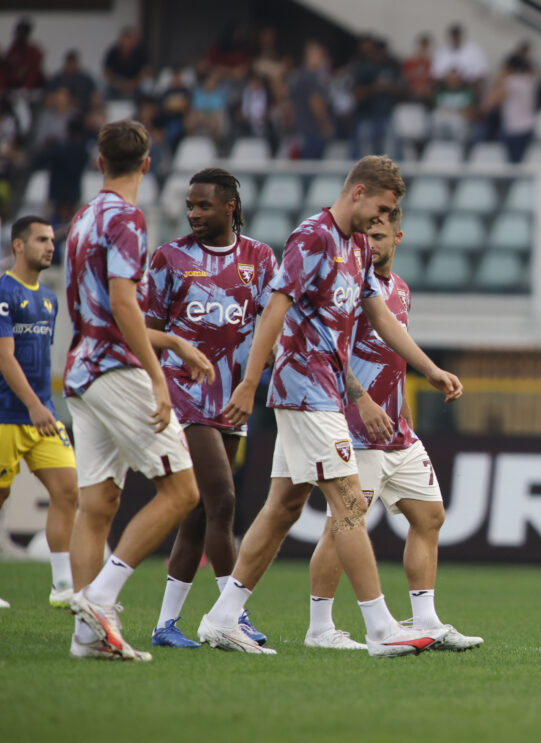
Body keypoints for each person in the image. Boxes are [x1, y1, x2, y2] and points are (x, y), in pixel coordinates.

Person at [196, 155, 463, 656]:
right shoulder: (312, 237)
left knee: (283, 507)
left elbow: (380, 315)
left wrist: (428, 368)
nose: (380, 219)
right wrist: (250, 382)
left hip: (324, 392)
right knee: (349, 505)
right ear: (358, 192)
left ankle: (221, 618)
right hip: (304, 387)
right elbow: (275, 309)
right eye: (379, 207)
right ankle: (381, 628)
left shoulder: (357, 246)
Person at [64, 120, 214, 662]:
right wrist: (156, 374)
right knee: (182, 493)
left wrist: (171, 340)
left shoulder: (83, 218)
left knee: (97, 504)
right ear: (148, 164)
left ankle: (88, 640)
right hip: (117, 371)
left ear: (100, 163)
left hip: (81, 371)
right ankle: (101, 599)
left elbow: (99, 311)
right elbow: (124, 303)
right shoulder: (127, 218)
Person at [305, 208, 482, 652]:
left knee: (430, 516)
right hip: (354, 429)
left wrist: (404, 410)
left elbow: (393, 356)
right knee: (342, 525)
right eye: (366, 235)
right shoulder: (348, 289)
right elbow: (332, 352)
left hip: (396, 432)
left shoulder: (401, 289)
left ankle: (426, 620)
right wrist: (361, 401)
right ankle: (319, 627)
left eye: (380, 236)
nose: (371, 243)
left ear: (398, 238)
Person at [146, 168, 278, 648]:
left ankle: (165, 626)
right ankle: (231, 615)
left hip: (232, 400)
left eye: (203, 205)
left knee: (200, 513)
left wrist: (263, 368)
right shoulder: (170, 257)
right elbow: (145, 330)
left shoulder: (259, 258)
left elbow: (270, 324)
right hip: (184, 395)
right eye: (190, 206)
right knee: (222, 500)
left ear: (229, 206)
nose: (194, 213)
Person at [0, 216, 77, 608]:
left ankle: (62, 585)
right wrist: (33, 404)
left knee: (68, 490)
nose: (50, 246)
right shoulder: (3, 292)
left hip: (42, 415)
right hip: (7, 416)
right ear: (18, 245)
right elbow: (4, 357)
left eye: (51, 239)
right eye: (41, 239)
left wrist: (42, 405)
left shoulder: (49, 298)